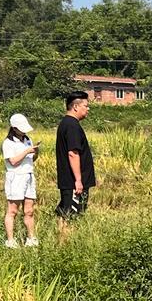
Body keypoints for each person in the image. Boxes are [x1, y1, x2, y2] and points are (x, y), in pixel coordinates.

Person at [55, 91, 96, 230]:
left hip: (71, 180)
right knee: (72, 215)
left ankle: (62, 242)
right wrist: (78, 180)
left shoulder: (67, 123)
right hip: (74, 182)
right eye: (86, 105)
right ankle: (65, 245)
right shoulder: (72, 125)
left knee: (65, 213)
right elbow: (73, 153)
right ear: (76, 107)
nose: (88, 108)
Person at [2, 113, 39, 248]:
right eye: (21, 129)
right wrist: (26, 151)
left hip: (29, 175)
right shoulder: (8, 143)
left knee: (29, 210)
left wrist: (35, 152)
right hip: (16, 177)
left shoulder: (27, 139)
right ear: (14, 128)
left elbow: (32, 159)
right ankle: (10, 240)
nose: (23, 132)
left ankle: (31, 238)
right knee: (13, 210)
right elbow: (13, 162)